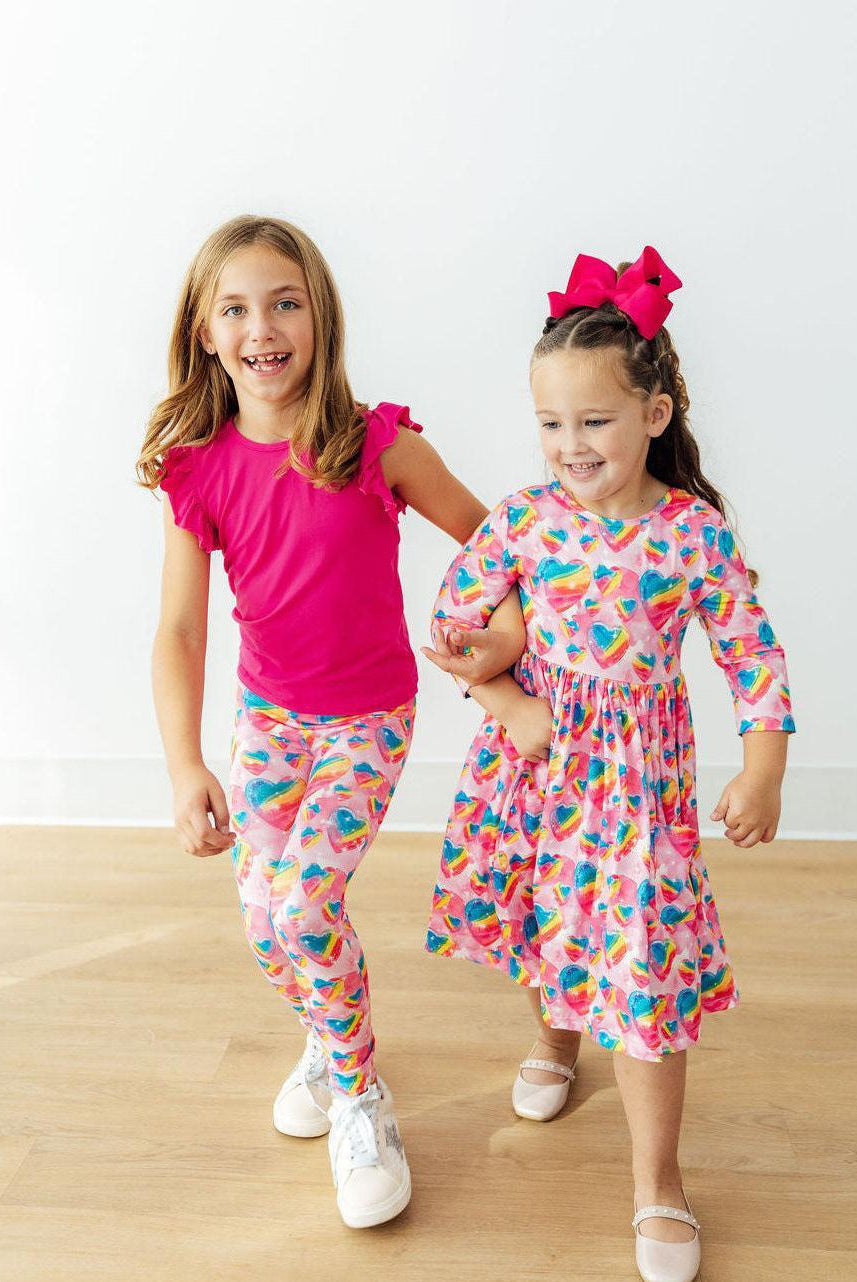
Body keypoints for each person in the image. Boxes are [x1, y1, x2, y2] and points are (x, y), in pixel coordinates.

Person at [136, 214, 524, 1229]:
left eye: (284, 303)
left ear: (319, 318)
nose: (261, 327)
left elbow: (494, 543)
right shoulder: (197, 470)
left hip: (366, 720)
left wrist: (502, 639)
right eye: (234, 309)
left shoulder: (376, 444)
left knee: (305, 909)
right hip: (269, 722)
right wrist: (184, 766)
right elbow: (179, 630)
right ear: (205, 333)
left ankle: (359, 1095)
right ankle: (328, 1034)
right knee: (264, 922)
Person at [423, 247, 794, 1282]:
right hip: (535, 775)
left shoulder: (691, 534)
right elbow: (450, 625)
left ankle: (656, 1182)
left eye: (591, 421)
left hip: (637, 790)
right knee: (545, 920)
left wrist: (761, 769)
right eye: (549, 424)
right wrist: (507, 699)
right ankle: (555, 1039)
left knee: (644, 968)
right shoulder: (524, 520)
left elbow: (752, 656)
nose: (568, 446)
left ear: (653, 414)